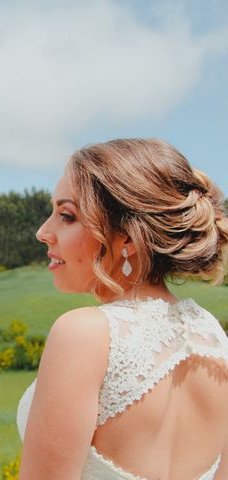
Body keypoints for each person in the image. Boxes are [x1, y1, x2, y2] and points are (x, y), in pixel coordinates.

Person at [16, 138, 228, 479]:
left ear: (127, 236)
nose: (44, 232)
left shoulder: (85, 334)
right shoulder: (214, 338)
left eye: (66, 216)